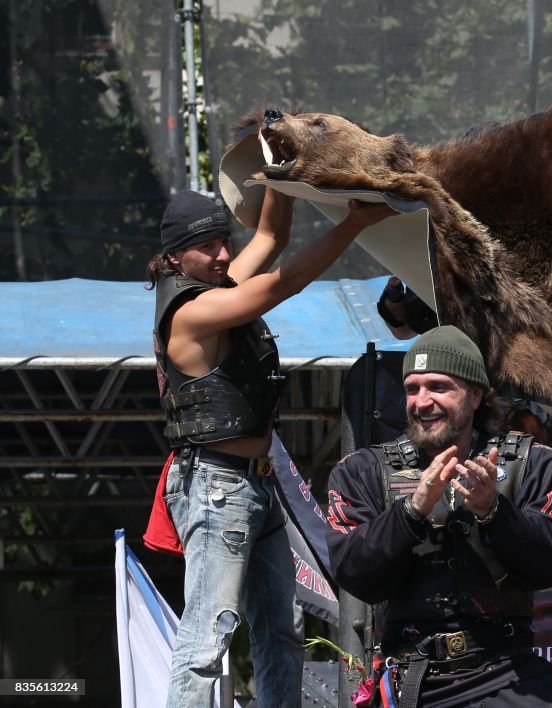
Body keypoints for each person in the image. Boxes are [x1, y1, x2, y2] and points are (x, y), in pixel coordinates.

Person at [146, 188, 396, 707]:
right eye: (208, 247)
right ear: (174, 257)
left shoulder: (215, 286)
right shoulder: (193, 312)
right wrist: (353, 225)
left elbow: (271, 237)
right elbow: (286, 280)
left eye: (223, 241)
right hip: (217, 488)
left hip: (253, 483)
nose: (222, 255)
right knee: (206, 641)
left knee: (280, 633)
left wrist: (278, 176)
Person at [325, 325, 552, 707]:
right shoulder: (362, 471)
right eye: (412, 388)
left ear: (475, 395)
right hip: (412, 680)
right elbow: (354, 573)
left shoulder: (535, 463)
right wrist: (411, 512)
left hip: (508, 675)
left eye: (438, 387)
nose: (422, 402)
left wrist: (494, 511)